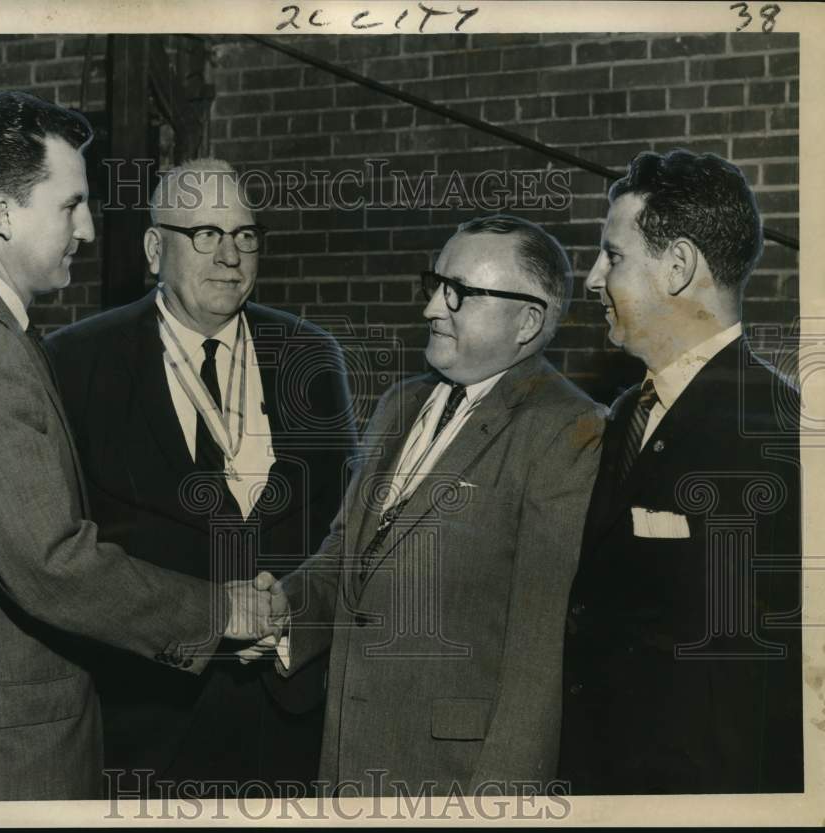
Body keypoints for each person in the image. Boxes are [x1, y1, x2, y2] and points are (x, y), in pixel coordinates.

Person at [0, 92, 274, 802]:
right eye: (70, 204)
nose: (86, 228)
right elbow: (52, 565)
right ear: (3, 214)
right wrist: (224, 611)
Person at [257, 214, 605, 796]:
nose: (432, 309)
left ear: (527, 321)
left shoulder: (566, 430)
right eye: (435, 285)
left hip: (453, 783)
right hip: (346, 762)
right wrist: (282, 612)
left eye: (460, 294)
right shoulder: (400, 404)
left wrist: (504, 802)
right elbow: (349, 554)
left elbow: (537, 653)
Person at [44, 159, 356, 795]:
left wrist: (291, 614)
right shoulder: (78, 361)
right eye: (206, 235)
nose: (230, 257)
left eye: (245, 236)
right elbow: (64, 545)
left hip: (287, 713)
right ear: (157, 248)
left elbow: (342, 531)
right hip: (147, 717)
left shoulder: (311, 356)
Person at [558, 149, 803, 794]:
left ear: (678, 267)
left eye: (611, 256)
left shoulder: (774, 432)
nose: (590, 280)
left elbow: (755, 684)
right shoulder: (627, 414)